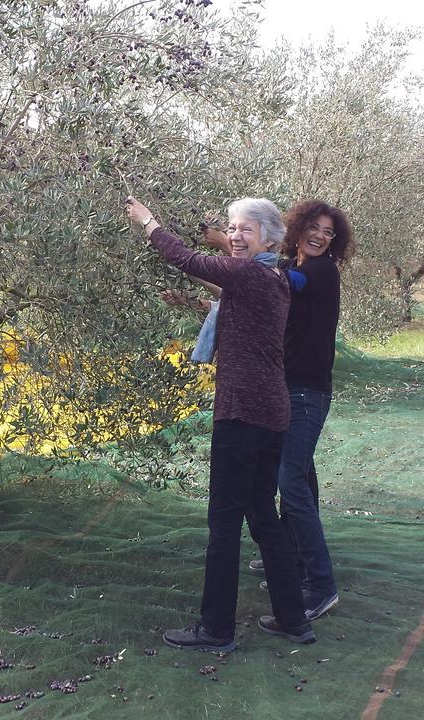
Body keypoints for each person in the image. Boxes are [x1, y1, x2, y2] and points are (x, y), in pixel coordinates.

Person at [125, 195, 315, 651]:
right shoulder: (273, 277)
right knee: (263, 516)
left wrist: (147, 220)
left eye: (245, 230)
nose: (234, 236)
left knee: (224, 523)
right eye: (231, 228)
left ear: (269, 237)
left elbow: (182, 257)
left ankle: (216, 630)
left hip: (242, 414)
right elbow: (232, 301)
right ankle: (293, 618)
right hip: (272, 413)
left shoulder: (250, 273)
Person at [263, 200, 354, 622]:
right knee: (300, 477)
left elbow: (277, 283)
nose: (321, 235)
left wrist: (226, 249)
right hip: (288, 389)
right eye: (315, 227)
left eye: (329, 231)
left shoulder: (320, 272)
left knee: (291, 484)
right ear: (297, 228)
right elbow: (257, 290)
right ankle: (293, 563)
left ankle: (321, 586)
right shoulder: (290, 266)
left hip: (306, 393)